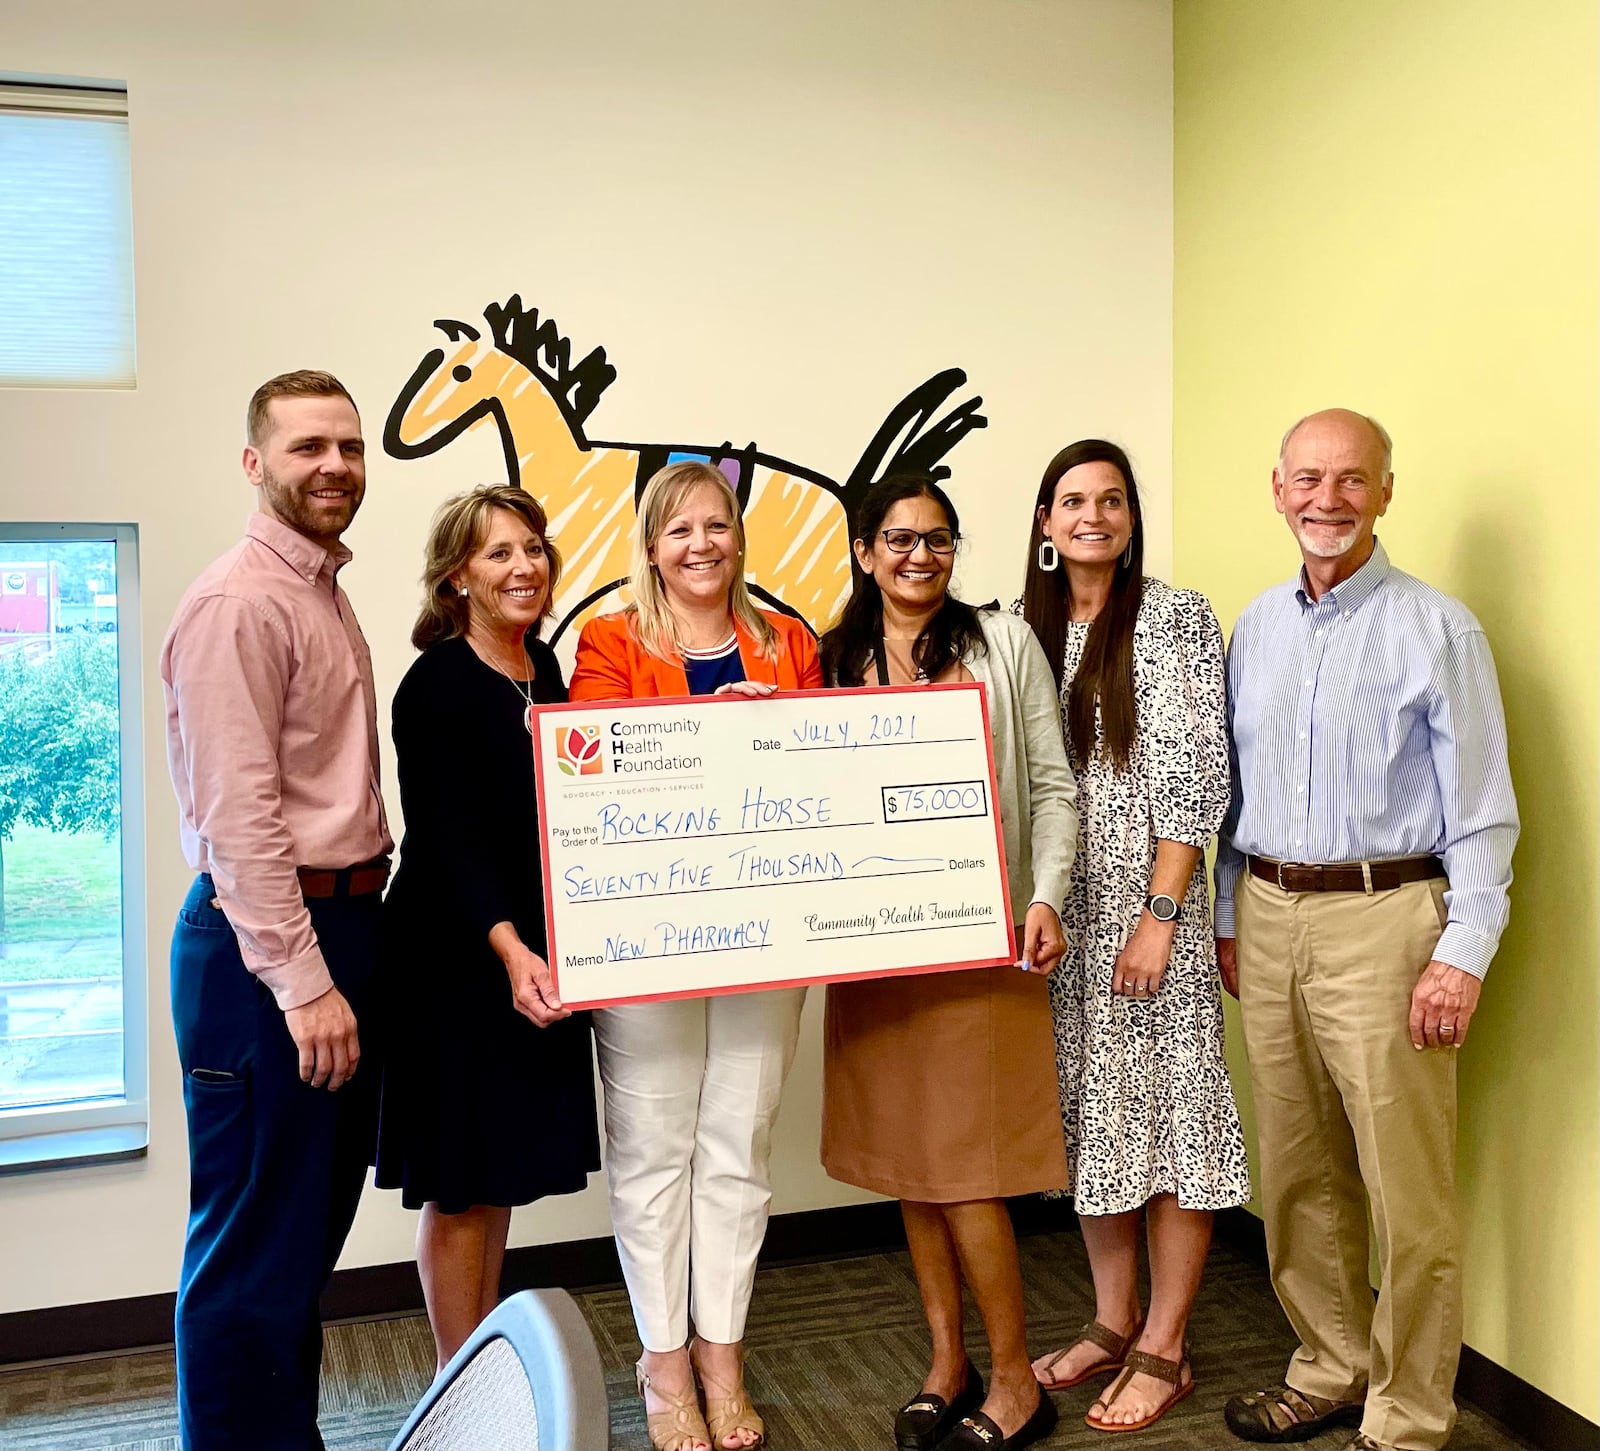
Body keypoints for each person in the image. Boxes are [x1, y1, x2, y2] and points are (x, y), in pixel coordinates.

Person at [1215, 409, 1518, 1451]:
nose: (1326, 499)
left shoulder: (1439, 629)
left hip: (1388, 917)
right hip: (1266, 908)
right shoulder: (1253, 625)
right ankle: (1328, 1363)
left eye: (1351, 479)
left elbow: (1482, 811)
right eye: (1307, 478)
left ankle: (1406, 1415)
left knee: (1405, 1189)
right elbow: (1231, 789)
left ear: (1385, 491)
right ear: (1276, 487)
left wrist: (1460, 951)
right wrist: (1225, 917)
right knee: (1297, 1168)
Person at [818, 473, 1077, 1451]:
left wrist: (1044, 894)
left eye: (937, 538)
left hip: (983, 940)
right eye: (897, 538)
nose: (918, 555)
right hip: (879, 954)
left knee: (968, 1168)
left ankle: (1016, 1378)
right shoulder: (833, 657)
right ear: (862, 550)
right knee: (912, 1168)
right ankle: (945, 1360)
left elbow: (1052, 785)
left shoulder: (1003, 642)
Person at [568, 459, 823, 1451]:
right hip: (647, 936)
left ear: (738, 537)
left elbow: (823, 763)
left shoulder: (789, 640)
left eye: (715, 525)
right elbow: (592, 764)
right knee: (651, 1153)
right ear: (650, 545)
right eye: (678, 530)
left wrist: (777, 736)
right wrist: (708, 733)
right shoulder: (608, 639)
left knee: (737, 1152)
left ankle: (723, 1352)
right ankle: (661, 1360)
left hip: (767, 930)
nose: (700, 544)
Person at [161, 370, 392, 1451]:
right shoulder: (240, 601)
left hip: (329, 924)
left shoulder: (315, 588)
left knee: (292, 1247)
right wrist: (305, 985)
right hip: (270, 948)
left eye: (348, 445)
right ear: (256, 463)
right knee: (252, 1252)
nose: (334, 465)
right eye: (307, 447)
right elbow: (239, 817)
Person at [1015, 439, 1250, 1434]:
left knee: (1173, 1121)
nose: (1092, 516)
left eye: (1110, 500)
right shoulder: (1018, 629)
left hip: (1155, 908)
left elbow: (1199, 778)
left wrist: (1159, 917)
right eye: (1072, 500)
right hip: (1063, 917)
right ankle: (1112, 1319)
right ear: (1044, 523)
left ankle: (1166, 1342)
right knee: (1093, 1122)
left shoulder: (1174, 615)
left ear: (1129, 515)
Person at [375, 484, 600, 1370]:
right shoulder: (434, 684)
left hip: (527, 953)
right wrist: (511, 949)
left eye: (533, 548)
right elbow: (449, 840)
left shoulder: (542, 669)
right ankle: (452, 1376)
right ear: (457, 576)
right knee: (459, 1184)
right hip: (455, 961)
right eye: (498, 553)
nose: (523, 567)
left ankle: (473, 1360)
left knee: (495, 1170)